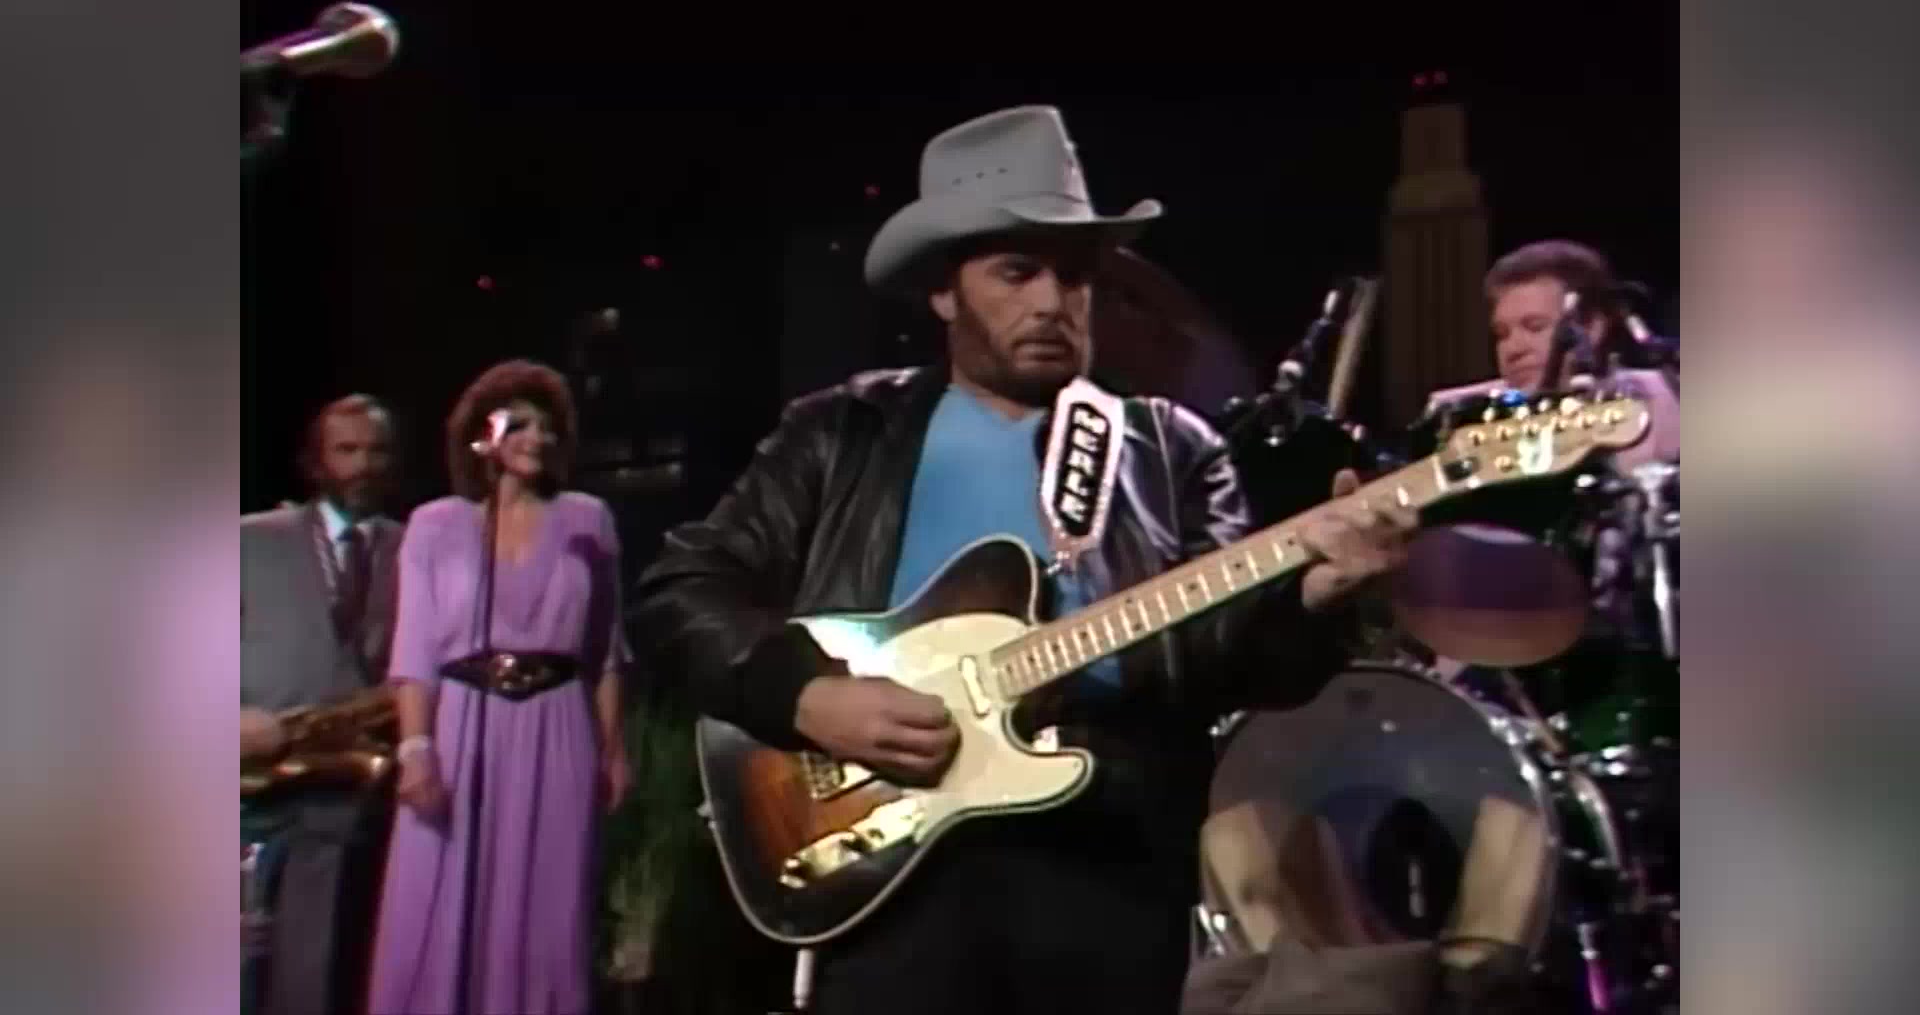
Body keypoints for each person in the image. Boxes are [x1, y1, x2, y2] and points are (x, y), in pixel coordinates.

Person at [630, 105, 1415, 1014]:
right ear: (943, 292)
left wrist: (1317, 598)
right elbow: (678, 594)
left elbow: (1234, 660)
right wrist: (806, 695)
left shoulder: (1170, 451)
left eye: (1073, 275)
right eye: (1017, 271)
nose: (1052, 301)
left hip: (1108, 871)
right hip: (890, 867)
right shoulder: (844, 432)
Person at [365, 360, 631, 1015]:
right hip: (462, 728)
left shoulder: (588, 521)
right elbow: (415, 649)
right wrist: (416, 748)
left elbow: (605, 652)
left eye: (548, 427)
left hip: (558, 729)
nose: (537, 438)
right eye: (521, 423)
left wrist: (613, 748)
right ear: (482, 436)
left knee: (550, 906)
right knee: (438, 895)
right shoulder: (435, 524)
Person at [241, 393, 405, 1015]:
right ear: (314, 463)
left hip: (360, 801)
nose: (363, 465)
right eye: (346, 450)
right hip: (258, 788)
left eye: (376, 452)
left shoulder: (419, 547)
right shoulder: (248, 540)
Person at [1422, 238, 1680, 469]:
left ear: (1593, 327)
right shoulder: (1453, 419)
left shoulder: (1663, 396)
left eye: (1535, 327)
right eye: (1502, 334)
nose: (1514, 349)